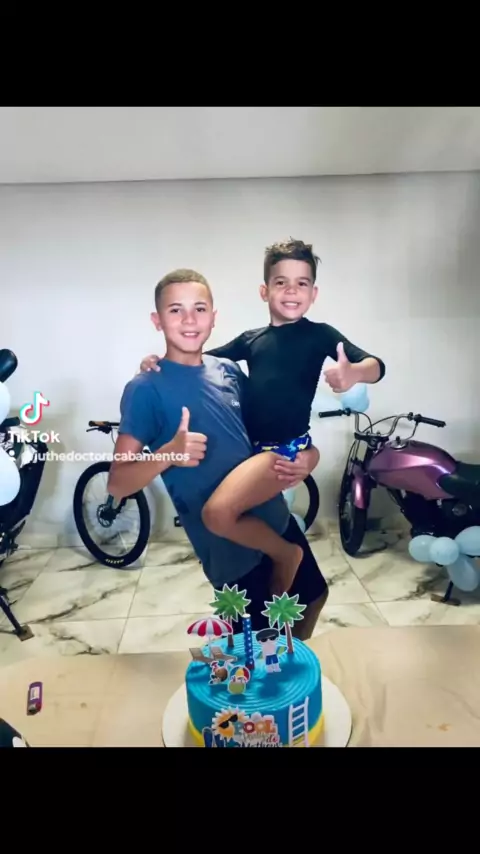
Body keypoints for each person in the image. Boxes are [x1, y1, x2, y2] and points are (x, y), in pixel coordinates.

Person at [138, 238, 386, 595]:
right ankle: (276, 597)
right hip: (251, 453)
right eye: (281, 282)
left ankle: (286, 555)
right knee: (244, 534)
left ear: (313, 294)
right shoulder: (252, 340)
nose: (291, 291)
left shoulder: (320, 335)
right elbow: (198, 359)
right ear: (264, 291)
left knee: (217, 514)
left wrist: (355, 374)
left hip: (281, 452)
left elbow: (376, 365)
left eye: (302, 283)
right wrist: (156, 362)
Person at [107, 268, 328, 637]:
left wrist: (311, 455)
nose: (189, 319)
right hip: (229, 551)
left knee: (314, 597)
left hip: (274, 519)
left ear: (213, 317)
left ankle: (297, 663)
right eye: (175, 310)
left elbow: (274, 430)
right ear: (157, 320)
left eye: (199, 309)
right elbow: (117, 484)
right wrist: (169, 453)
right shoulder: (145, 389)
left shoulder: (227, 370)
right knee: (258, 646)